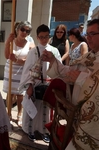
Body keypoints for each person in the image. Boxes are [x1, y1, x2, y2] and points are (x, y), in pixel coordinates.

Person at [42, 19, 99, 150]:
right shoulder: (89, 56)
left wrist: (82, 79)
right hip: (76, 117)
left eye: (92, 34)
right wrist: (53, 60)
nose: (87, 37)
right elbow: (69, 72)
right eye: (87, 33)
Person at [19, 24, 62, 141]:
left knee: (46, 109)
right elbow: (27, 70)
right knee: (32, 107)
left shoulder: (54, 50)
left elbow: (60, 68)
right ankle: (30, 130)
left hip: (48, 84)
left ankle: (45, 132)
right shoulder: (33, 52)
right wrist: (29, 86)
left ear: (49, 36)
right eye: (41, 37)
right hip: (35, 83)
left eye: (46, 36)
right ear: (37, 37)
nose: (44, 39)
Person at [3, 21, 35, 127]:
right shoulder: (12, 41)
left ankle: (19, 115)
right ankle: (8, 114)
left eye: (27, 31)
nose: (24, 32)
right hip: (10, 70)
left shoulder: (30, 44)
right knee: (10, 93)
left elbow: (30, 60)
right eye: (22, 29)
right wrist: (7, 42)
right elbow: (7, 56)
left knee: (20, 94)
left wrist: (17, 60)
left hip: (22, 71)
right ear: (18, 30)